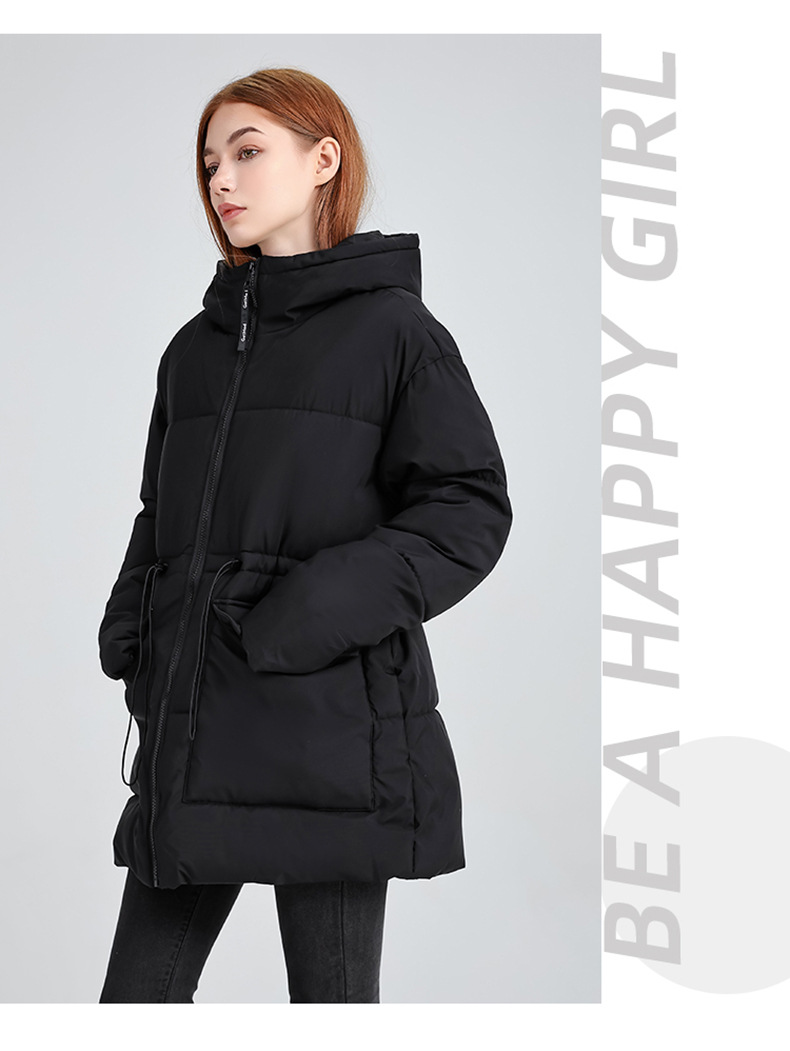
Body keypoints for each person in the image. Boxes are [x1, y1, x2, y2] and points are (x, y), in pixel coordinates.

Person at [97, 66, 513, 1004]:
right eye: (210, 162)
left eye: (247, 152)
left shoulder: (395, 333)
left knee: (331, 1011)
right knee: (132, 1007)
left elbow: (468, 508)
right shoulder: (192, 351)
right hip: (195, 732)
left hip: (332, 736)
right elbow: (160, 513)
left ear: (324, 159)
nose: (222, 180)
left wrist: (311, 609)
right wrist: (133, 626)